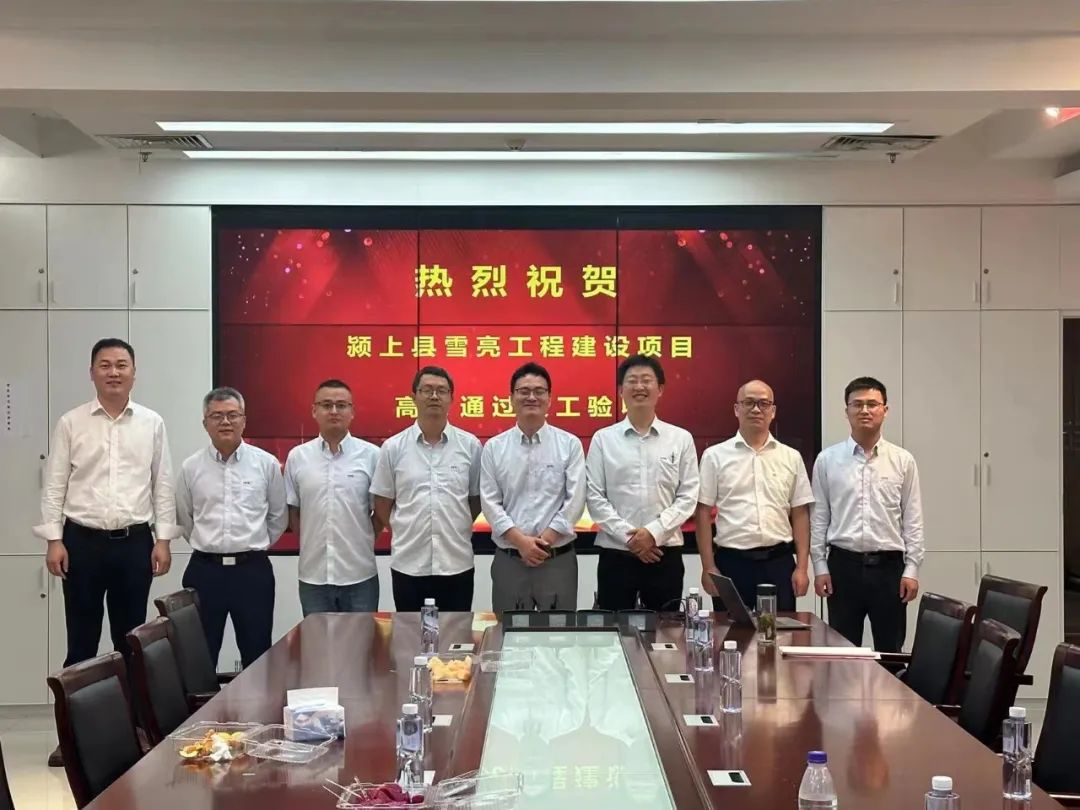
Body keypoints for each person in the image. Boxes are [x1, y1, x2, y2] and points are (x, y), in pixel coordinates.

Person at [36, 338, 177, 767]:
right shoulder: (71, 422)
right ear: (92, 372)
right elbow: (55, 484)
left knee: (130, 642)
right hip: (81, 543)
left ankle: (133, 730)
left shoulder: (151, 423)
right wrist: (54, 539)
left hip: (134, 544)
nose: (114, 372)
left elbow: (162, 484)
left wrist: (163, 539)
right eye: (105, 365)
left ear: (134, 372)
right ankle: (72, 738)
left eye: (121, 364)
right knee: (80, 642)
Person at [810, 376, 924, 652]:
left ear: (885, 409)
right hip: (842, 568)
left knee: (890, 651)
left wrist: (912, 569)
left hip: (889, 570)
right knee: (842, 653)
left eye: (872, 404)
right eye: (857, 404)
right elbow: (819, 519)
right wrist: (820, 567)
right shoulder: (828, 460)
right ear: (846, 411)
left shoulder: (902, 460)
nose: (865, 410)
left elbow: (913, 519)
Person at [176, 387, 287, 669]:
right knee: (199, 657)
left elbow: (278, 516)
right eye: (217, 416)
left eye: (232, 415)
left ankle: (256, 701)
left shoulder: (266, 464)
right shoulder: (191, 467)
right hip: (205, 571)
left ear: (244, 420)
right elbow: (185, 519)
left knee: (257, 653)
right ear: (205, 423)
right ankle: (202, 702)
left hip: (252, 572)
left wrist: (253, 544)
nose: (225, 422)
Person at [585, 354, 699, 612]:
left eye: (646, 380)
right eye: (632, 381)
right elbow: (594, 497)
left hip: (664, 554)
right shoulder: (603, 439)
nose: (639, 387)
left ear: (660, 389)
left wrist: (653, 533)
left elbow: (688, 495)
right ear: (620, 390)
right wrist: (632, 540)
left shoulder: (680, 439)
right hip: (616, 555)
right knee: (613, 630)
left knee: (666, 632)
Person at [696, 380, 813, 612]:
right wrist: (708, 566)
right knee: (731, 632)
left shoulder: (791, 457)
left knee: (780, 631)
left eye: (763, 403)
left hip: (779, 564)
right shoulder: (714, 456)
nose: (756, 409)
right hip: (731, 564)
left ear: (773, 411)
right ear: (736, 409)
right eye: (748, 402)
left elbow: (800, 513)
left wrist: (802, 568)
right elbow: (702, 512)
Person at [371, 366, 482, 611]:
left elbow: (475, 501)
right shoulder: (393, 447)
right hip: (408, 564)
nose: (434, 396)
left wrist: (455, 522)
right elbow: (382, 502)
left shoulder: (470, 446)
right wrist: (404, 527)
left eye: (441, 391)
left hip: (456, 563)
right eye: (427, 390)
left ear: (451, 398)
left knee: (455, 634)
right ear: (414, 396)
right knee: (410, 634)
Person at [481, 363, 586, 612]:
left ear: (549, 399)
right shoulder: (494, 448)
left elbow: (575, 501)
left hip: (557, 562)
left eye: (539, 391)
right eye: (523, 391)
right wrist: (521, 542)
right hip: (510, 562)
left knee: (559, 633)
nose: (531, 397)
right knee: (508, 632)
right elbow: (490, 502)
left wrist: (541, 543)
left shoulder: (569, 444)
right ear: (511, 398)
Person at [285, 379, 382, 615]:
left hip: (359, 575)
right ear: (314, 411)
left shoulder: (372, 456)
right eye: (327, 405)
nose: (334, 411)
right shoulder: (298, 457)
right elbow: (293, 512)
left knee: (361, 639)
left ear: (352, 412)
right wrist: (313, 540)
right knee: (317, 640)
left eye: (341, 405)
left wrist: (363, 539)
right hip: (313, 578)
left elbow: (380, 512)